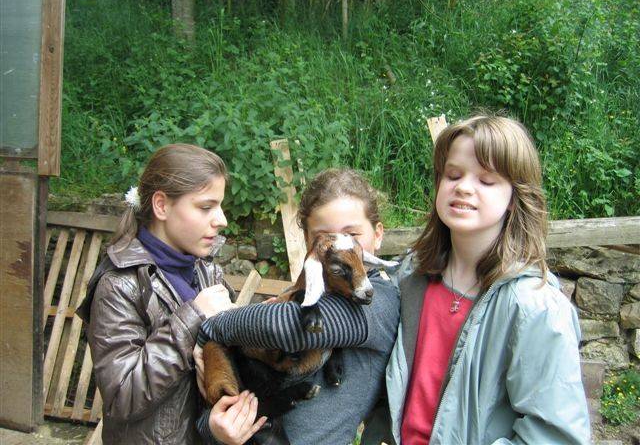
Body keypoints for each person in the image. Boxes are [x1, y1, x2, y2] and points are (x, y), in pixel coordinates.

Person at [386, 115, 591, 444]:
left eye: (486, 180)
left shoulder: (536, 307)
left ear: (514, 197)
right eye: (453, 175)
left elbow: (555, 436)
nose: (464, 187)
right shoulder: (410, 274)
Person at [195, 168, 401, 444]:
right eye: (323, 236)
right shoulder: (302, 293)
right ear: (308, 241)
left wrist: (210, 327)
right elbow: (205, 425)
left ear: (378, 234)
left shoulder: (379, 301)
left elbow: (282, 327)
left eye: (352, 233)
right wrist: (215, 428)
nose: (340, 246)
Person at [77, 143, 266, 444]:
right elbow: (121, 395)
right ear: (162, 206)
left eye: (219, 206)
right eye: (206, 207)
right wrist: (193, 318)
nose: (222, 220)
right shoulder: (120, 285)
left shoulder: (206, 270)